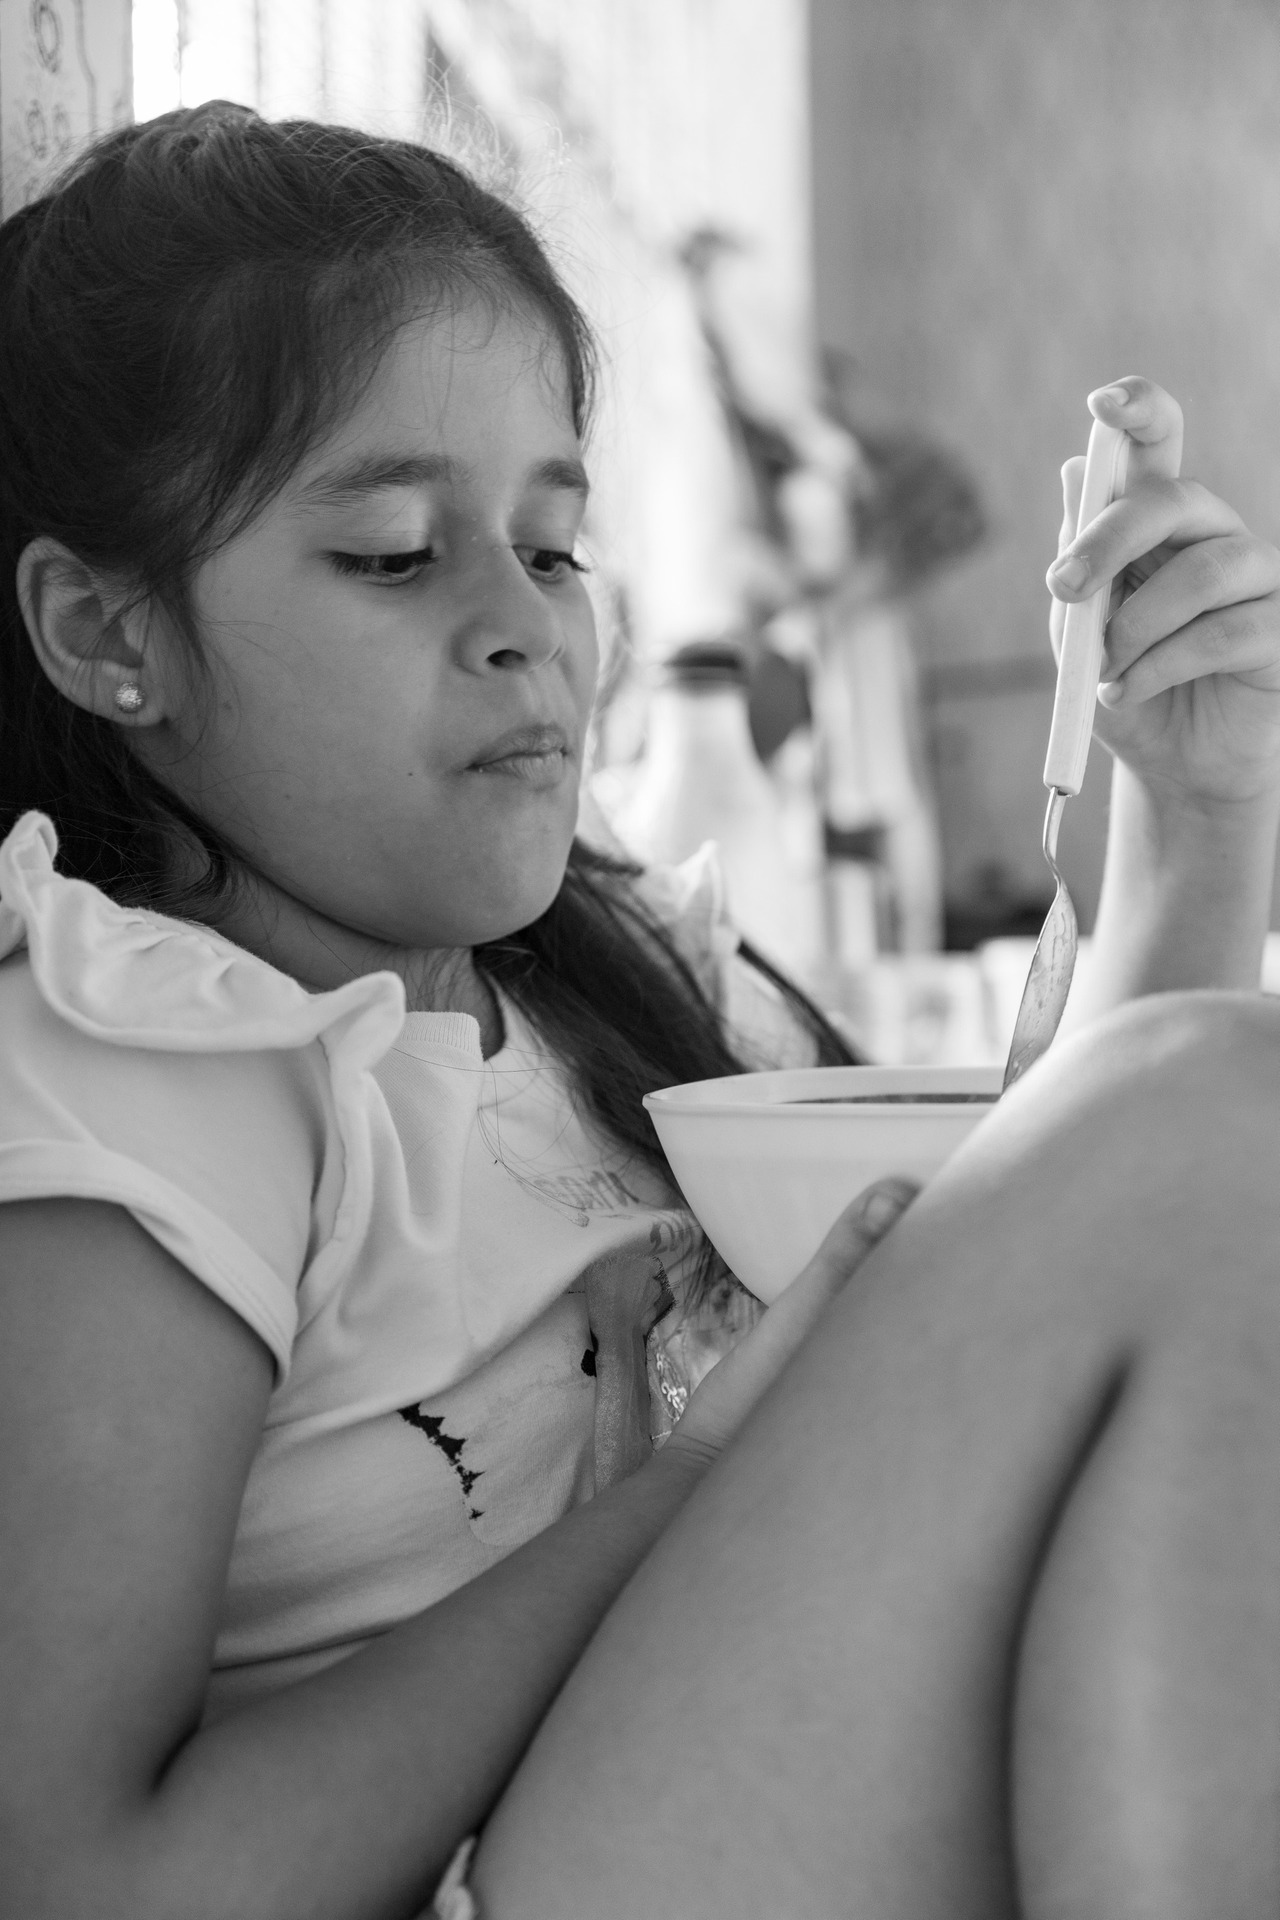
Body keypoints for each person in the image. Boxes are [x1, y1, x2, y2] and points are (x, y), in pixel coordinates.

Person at [1, 106, 1279, 1920]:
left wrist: (1199, 821)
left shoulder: (600, 1018)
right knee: (1207, 1105)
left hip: (719, 1807)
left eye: (553, 546)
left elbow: (1044, 1295)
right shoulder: (152, 1070)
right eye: (390, 552)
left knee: (1210, 1119)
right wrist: (684, 1493)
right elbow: (75, 1881)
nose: (524, 627)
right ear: (106, 632)